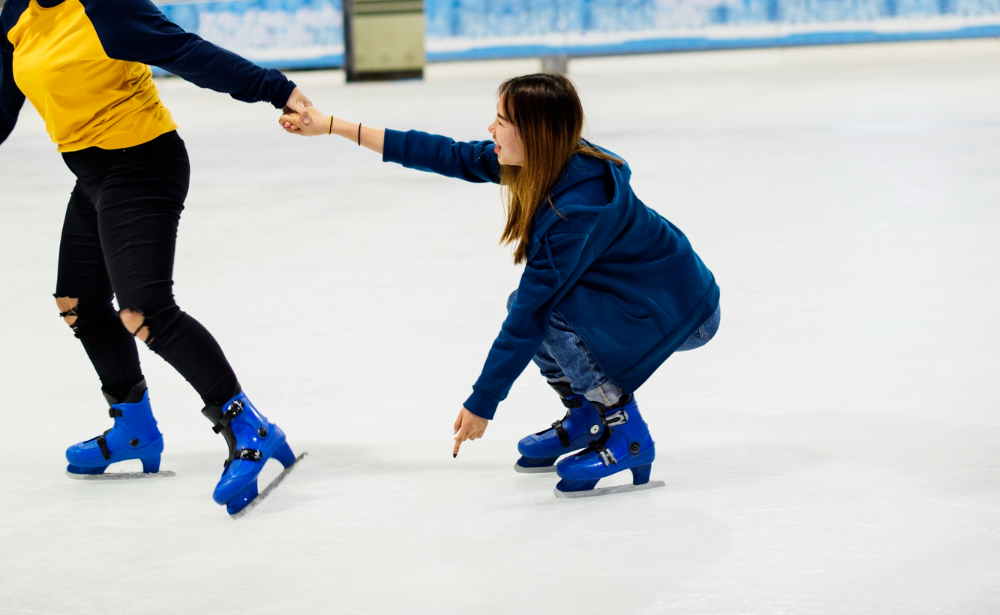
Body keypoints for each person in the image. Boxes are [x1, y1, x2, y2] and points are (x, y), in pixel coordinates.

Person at [0, 0, 313, 516]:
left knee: (144, 310)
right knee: (78, 300)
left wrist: (275, 88)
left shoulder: (105, 1)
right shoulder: (20, 11)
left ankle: (247, 426)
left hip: (144, 164)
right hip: (93, 172)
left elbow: (188, 53)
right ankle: (133, 426)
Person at [280, 73, 720, 497]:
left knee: (548, 316)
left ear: (536, 133)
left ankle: (626, 435)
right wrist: (333, 126)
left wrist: (482, 402)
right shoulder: (546, 163)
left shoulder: (576, 209)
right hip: (645, 295)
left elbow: (529, 317)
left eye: (503, 122)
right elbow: (445, 153)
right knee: (537, 309)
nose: (490, 127)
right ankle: (587, 416)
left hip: (680, 312)